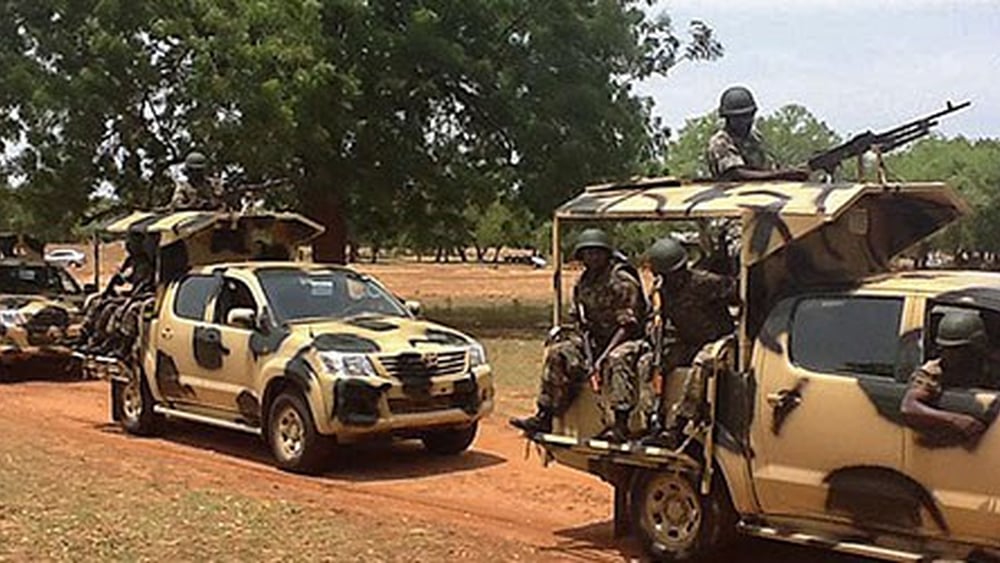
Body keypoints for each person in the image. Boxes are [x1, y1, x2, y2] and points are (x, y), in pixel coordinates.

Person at [510, 228, 646, 440]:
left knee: (617, 358)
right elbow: (579, 319)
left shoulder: (622, 281)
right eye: (588, 253)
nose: (593, 258)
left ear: (606, 254)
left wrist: (601, 357)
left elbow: (628, 326)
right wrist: (585, 348)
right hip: (595, 338)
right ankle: (546, 415)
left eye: (597, 253)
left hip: (625, 338)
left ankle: (620, 424)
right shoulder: (583, 282)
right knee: (558, 353)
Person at [641, 237, 740, 441]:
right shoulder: (661, 291)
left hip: (718, 342)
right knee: (648, 362)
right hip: (687, 341)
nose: (674, 279)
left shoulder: (704, 282)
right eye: (668, 275)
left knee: (702, 363)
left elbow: (739, 293)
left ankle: (680, 424)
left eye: (677, 273)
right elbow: (656, 317)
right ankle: (651, 418)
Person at [901, 310, 994, 443]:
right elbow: (909, 407)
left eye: (959, 350)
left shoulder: (988, 365)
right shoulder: (934, 371)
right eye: (947, 349)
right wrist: (957, 420)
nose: (949, 354)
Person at [706, 86, 809, 182]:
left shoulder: (755, 138)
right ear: (728, 118)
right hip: (730, 193)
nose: (746, 121)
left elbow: (769, 168)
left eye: (749, 116)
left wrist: (798, 171)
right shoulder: (721, 141)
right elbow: (736, 174)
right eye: (739, 118)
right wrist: (782, 174)